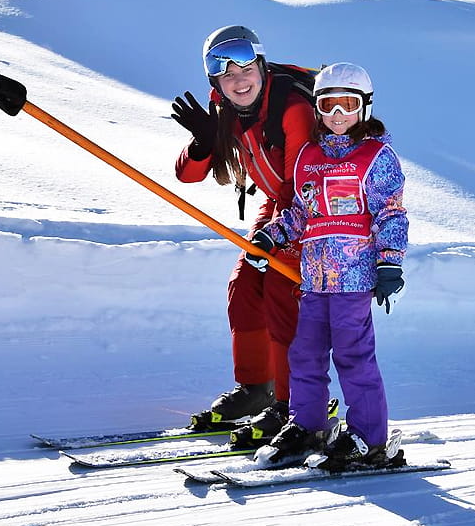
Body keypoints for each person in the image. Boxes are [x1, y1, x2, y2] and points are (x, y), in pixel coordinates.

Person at [245, 62, 409, 471]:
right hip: (315, 278)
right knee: (305, 354)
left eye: (347, 105)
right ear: (317, 109)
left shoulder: (375, 156)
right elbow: (301, 212)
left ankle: (370, 438)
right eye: (328, 105)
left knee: (353, 355)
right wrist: (272, 235)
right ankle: (308, 427)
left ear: (365, 108)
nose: (338, 115)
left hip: (354, 277)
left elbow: (390, 212)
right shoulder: (310, 157)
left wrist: (390, 262)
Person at [171, 25, 316, 441]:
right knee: (244, 285)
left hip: (312, 210)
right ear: (214, 80)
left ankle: (293, 403)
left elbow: (303, 182)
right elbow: (187, 176)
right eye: (223, 71)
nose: (238, 78)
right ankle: (257, 388)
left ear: (261, 64)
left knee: (280, 294)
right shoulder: (226, 110)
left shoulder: (291, 107)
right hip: (276, 208)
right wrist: (203, 142)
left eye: (245, 66)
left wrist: (277, 234)